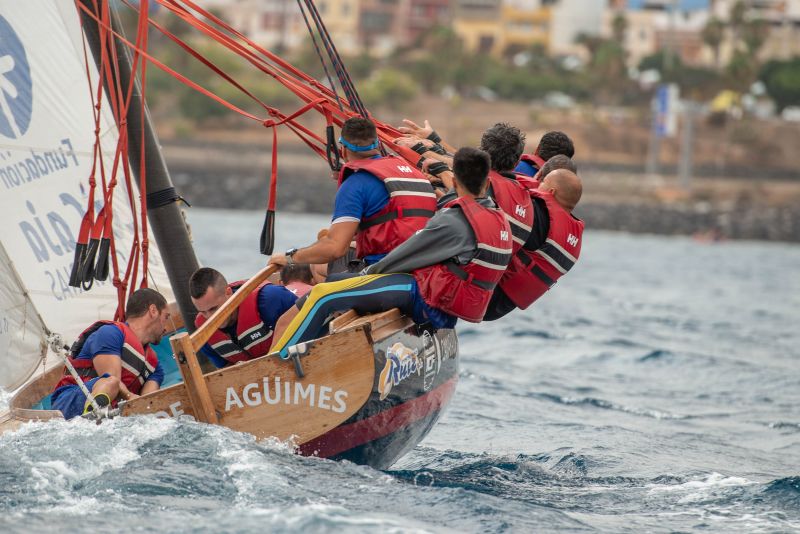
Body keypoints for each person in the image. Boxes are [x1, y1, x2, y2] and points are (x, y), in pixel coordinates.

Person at [269, 147, 512, 356]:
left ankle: (275, 364)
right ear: (487, 183)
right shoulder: (497, 217)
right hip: (447, 306)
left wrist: (367, 274)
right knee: (336, 282)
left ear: (456, 182)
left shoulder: (453, 221)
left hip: (425, 299)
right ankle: (307, 356)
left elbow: (402, 256)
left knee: (323, 293)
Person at [269, 117, 437, 272]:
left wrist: (290, 257)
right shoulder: (413, 172)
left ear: (342, 149)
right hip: (428, 267)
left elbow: (335, 248)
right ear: (378, 144)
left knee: (320, 296)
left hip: (391, 270)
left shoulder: (355, 184)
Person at [50, 288, 170, 420]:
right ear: (153, 311)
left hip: (111, 411)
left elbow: (147, 403)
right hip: (69, 400)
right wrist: (130, 396)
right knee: (111, 382)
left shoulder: (155, 368)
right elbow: (113, 381)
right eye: (166, 317)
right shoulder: (110, 333)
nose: (167, 327)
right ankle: (93, 420)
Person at [484, 168, 585, 320]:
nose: (538, 184)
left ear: (551, 191)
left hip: (485, 296)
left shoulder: (540, 215)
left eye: (543, 182)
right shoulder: (572, 236)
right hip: (499, 307)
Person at [190, 267, 297, 368]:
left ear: (228, 293)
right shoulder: (203, 334)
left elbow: (310, 321)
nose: (210, 318)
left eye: (214, 309)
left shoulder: (272, 298)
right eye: (203, 312)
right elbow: (224, 372)